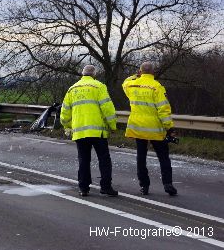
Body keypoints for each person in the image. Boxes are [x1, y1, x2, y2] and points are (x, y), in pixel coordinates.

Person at [60, 65, 118, 197]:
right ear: (94, 74)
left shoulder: (72, 89)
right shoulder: (99, 86)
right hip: (98, 132)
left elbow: (64, 113)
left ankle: (83, 188)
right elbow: (108, 108)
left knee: (84, 160)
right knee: (104, 159)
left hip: (80, 132)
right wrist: (112, 125)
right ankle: (106, 187)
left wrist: (68, 126)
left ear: (82, 74)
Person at [122, 62, 177, 196]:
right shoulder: (157, 87)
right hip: (155, 129)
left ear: (140, 72)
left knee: (141, 157)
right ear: (153, 72)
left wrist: (136, 75)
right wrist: (169, 128)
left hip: (138, 128)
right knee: (163, 157)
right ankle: (167, 184)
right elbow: (163, 110)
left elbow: (125, 82)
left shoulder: (132, 85)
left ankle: (144, 186)